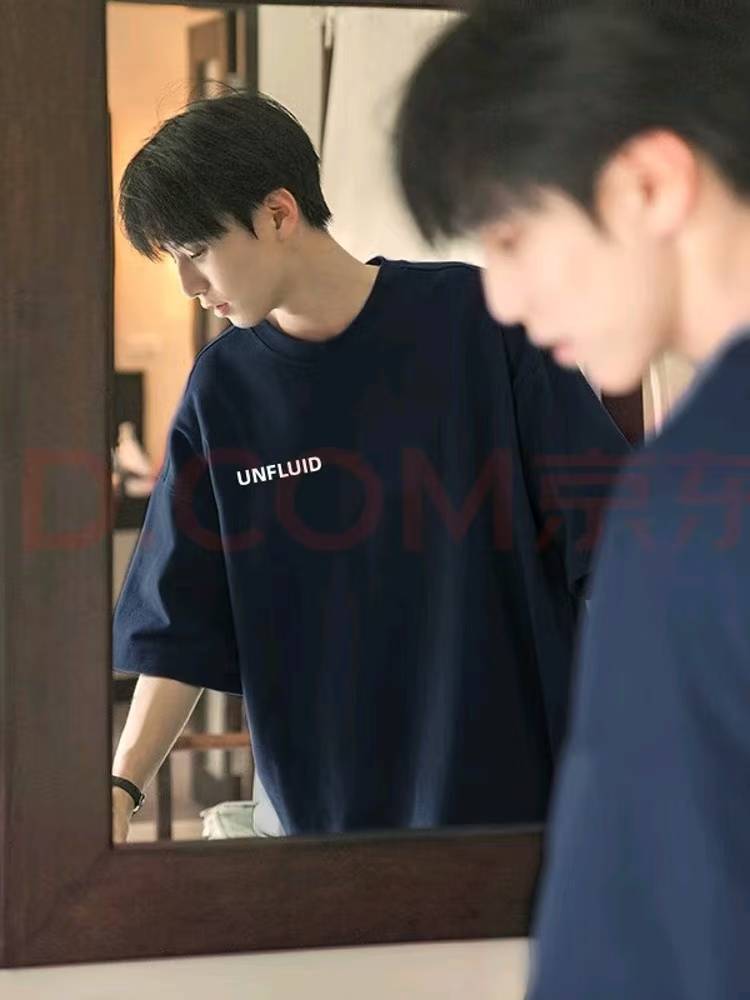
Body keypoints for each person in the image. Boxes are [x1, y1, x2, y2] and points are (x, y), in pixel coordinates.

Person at [111, 90, 629, 843]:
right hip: (322, 829)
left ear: (278, 213)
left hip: (509, 813)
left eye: (197, 252)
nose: (190, 285)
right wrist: (122, 786)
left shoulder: (481, 321)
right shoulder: (223, 392)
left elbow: (615, 545)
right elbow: (178, 621)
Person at [393, 1, 750, 996]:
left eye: (510, 237)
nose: (500, 298)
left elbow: (657, 918)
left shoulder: (696, 495)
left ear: (648, 185)